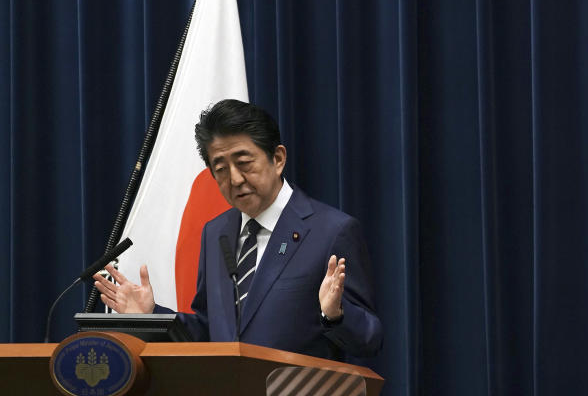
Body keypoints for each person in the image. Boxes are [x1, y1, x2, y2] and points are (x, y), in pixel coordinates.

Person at [94, 99, 383, 360]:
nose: (234, 179)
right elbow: (211, 331)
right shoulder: (215, 232)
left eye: (244, 163)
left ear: (278, 159)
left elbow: (370, 339)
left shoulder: (332, 231)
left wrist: (333, 315)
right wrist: (151, 316)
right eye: (220, 169)